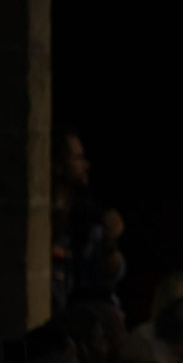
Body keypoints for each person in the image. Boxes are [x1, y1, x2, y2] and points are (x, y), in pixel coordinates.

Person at [51, 128, 127, 312]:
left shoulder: (87, 213)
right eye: (78, 158)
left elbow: (111, 274)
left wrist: (110, 240)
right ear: (58, 165)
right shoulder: (39, 218)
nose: (86, 165)